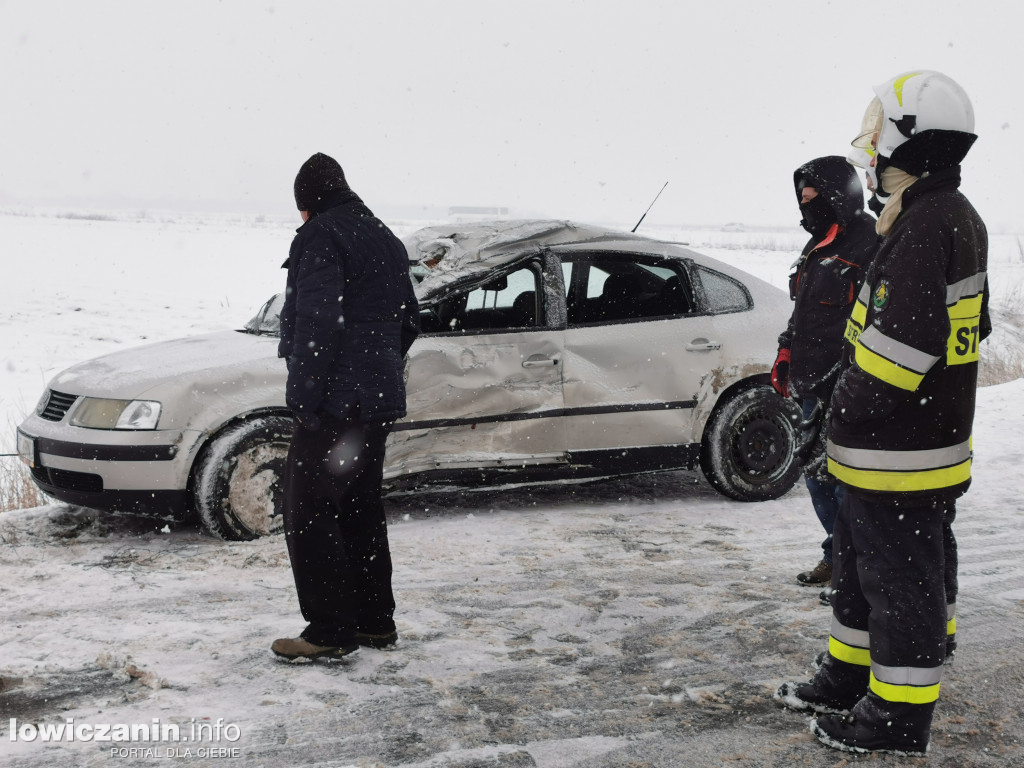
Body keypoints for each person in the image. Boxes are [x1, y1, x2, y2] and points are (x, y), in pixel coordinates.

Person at [775, 70, 990, 757]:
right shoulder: (935, 217)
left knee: (900, 584)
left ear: (907, 137)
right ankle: (851, 678)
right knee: (865, 571)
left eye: (878, 133)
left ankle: (894, 718)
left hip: (898, 450)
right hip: (893, 450)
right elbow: (964, 330)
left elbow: (901, 352)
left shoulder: (928, 225)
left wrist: (842, 408)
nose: (870, 149)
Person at [272, 152, 420, 661]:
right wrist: (376, 375)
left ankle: (330, 630)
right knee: (360, 510)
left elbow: (316, 324)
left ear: (307, 203)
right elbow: (408, 324)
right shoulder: (384, 236)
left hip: (335, 403)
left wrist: (305, 398)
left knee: (308, 512)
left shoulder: (321, 235)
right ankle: (375, 622)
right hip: (375, 403)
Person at [772, 156, 879, 592]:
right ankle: (836, 554)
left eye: (812, 193)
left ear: (839, 193)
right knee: (815, 473)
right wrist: (785, 349)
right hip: (809, 381)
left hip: (848, 380)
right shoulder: (817, 246)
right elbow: (803, 312)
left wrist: (857, 378)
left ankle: (855, 570)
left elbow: (878, 318)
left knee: (845, 481)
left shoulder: (870, 242)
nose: (805, 202)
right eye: (800, 195)